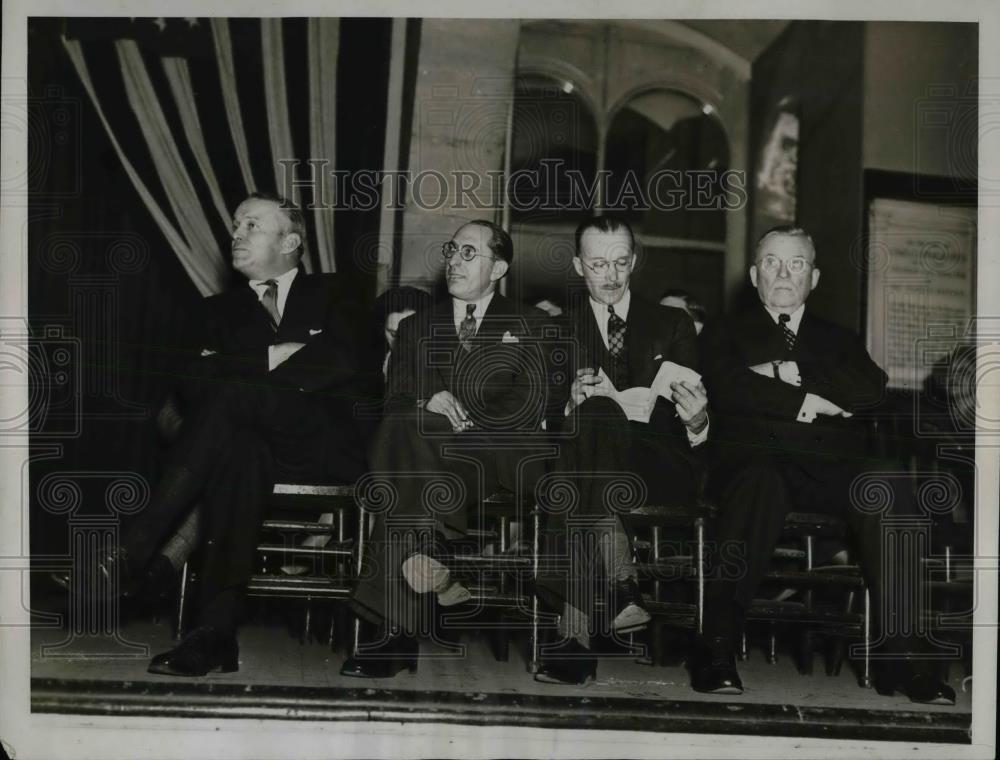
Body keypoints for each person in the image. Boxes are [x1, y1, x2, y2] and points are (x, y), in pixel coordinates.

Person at [96, 192, 370, 677]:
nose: (235, 235)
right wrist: (276, 355)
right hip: (251, 450)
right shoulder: (214, 311)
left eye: (251, 226)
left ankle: (140, 543)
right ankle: (214, 635)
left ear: (290, 241)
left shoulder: (337, 292)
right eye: (235, 225)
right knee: (240, 450)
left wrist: (238, 369)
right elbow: (194, 386)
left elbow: (341, 362)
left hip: (323, 448)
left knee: (233, 396)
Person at [692, 225, 955, 705]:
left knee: (888, 483)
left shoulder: (839, 337)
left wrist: (788, 375)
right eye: (772, 262)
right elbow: (729, 388)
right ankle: (716, 650)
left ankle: (905, 662)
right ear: (754, 275)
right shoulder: (723, 331)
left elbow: (871, 390)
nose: (784, 273)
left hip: (830, 469)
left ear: (813, 277)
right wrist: (818, 400)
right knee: (756, 483)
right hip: (757, 461)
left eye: (796, 264)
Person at [342, 220, 550, 678]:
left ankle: (392, 635)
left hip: (497, 457)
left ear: (499, 267)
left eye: (469, 253)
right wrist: (427, 400)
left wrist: (462, 413)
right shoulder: (418, 325)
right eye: (452, 250)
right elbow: (395, 397)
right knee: (405, 425)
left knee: (409, 476)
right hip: (429, 459)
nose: (454, 260)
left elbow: (531, 401)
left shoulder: (530, 323)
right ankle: (432, 551)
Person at [534, 215, 709, 685]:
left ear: (634, 262)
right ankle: (620, 586)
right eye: (597, 265)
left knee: (582, 464)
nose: (610, 276)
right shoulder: (555, 330)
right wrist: (566, 404)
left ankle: (572, 641)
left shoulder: (672, 323)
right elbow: (539, 423)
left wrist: (697, 419)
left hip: (657, 466)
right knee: (592, 421)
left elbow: (695, 412)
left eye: (620, 263)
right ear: (577, 266)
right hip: (585, 465)